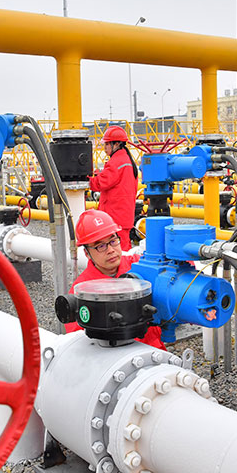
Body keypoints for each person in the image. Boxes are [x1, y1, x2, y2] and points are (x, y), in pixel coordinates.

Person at [64, 209, 165, 349]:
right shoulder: (82, 291)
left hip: (154, 349)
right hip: (112, 358)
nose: (111, 250)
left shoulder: (138, 265)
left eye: (113, 241)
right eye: (100, 246)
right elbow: (81, 342)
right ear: (87, 253)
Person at [89, 125, 138, 250]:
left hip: (115, 216)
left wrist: (87, 179)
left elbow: (100, 183)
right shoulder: (126, 160)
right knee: (123, 249)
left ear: (116, 144)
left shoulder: (116, 162)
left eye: (107, 144)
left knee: (116, 251)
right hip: (124, 215)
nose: (104, 148)